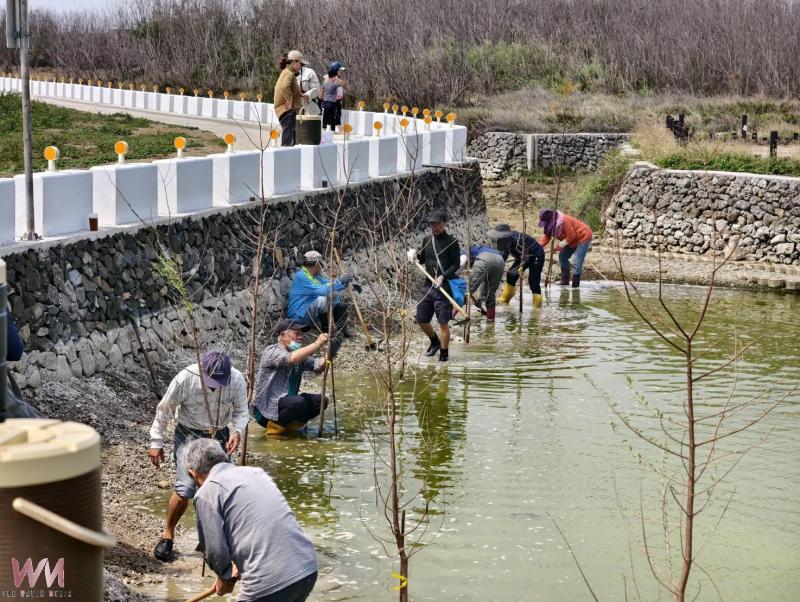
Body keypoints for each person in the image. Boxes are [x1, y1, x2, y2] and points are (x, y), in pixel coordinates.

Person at [184, 438, 318, 601]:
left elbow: (216, 550)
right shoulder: (256, 472)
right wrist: (235, 566)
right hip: (307, 568)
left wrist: (224, 576)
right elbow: (262, 522)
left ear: (192, 473)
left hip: (269, 582)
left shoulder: (207, 491)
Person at [148, 349, 249, 562]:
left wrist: (237, 431)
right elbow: (164, 409)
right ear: (202, 371)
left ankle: (209, 541)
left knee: (217, 490)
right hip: (189, 435)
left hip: (219, 435)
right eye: (212, 379)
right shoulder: (186, 377)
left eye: (220, 380)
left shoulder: (237, 379)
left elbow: (241, 412)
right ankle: (168, 535)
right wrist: (156, 442)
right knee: (185, 488)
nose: (215, 384)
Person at [253, 318, 331, 436]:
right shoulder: (272, 351)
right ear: (284, 335)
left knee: (321, 401)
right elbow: (291, 359)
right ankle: (274, 429)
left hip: (288, 404)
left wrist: (330, 352)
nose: (301, 337)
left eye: (301, 335)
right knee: (298, 402)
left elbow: (318, 365)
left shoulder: (299, 355)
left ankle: (292, 425)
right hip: (267, 409)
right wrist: (317, 343)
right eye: (297, 334)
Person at [410, 210, 460, 362]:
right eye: (432, 225)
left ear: (444, 224)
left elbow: (456, 264)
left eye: (437, 225)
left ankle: (444, 354)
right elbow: (422, 258)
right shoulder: (427, 240)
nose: (434, 228)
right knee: (421, 319)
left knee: (443, 322)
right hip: (428, 286)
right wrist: (414, 256)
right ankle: (435, 342)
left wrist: (443, 276)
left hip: (443, 288)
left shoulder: (452, 242)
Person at [287, 250, 359, 335]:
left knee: (336, 295)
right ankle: (327, 331)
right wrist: (340, 282)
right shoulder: (302, 276)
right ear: (317, 264)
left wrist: (346, 284)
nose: (321, 267)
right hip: (298, 316)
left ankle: (341, 328)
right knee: (323, 300)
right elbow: (322, 290)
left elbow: (328, 283)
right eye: (321, 265)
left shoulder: (314, 276)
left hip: (307, 313)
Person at [488, 223, 545, 308]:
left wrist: (520, 267)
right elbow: (504, 254)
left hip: (535, 255)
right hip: (521, 256)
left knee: (533, 281)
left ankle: (537, 307)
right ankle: (505, 298)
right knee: (511, 274)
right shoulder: (504, 241)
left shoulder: (518, 241)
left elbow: (526, 256)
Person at [538, 209, 593, 288]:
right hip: (571, 240)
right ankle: (565, 281)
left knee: (576, 261)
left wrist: (560, 245)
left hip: (583, 236)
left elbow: (571, 235)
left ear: (549, 219)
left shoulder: (564, 220)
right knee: (562, 256)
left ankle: (575, 286)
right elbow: (546, 238)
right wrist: (536, 247)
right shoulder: (549, 226)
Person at [460, 245, 505, 321]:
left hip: (485, 258)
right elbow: (482, 280)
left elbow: (462, 262)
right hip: (500, 260)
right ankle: (490, 324)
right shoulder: (481, 249)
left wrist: (454, 274)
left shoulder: (463, 251)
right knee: (490, 294)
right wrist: (479, 299)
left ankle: (451, 316)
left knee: (468, 290)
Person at [274, 50, 305, 147]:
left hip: (286, 111)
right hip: (288, 112)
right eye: (301, 63)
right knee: (288, 142)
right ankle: (285, 160)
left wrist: (300, 94)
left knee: (291, 139)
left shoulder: (286, 72)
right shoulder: (289, 74)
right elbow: (284, 87)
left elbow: (288, 88)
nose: (302, 66)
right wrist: (289, 101)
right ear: (294, 62)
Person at [321, 62, 346, 130]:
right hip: (334, 100)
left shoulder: (333, 78)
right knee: (335, 116)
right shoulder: (333, 79)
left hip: (333, 100)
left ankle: (333, 129)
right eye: (339, 70)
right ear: (335, 70)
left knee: (332, 116)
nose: (340, 72)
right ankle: (338, 130)